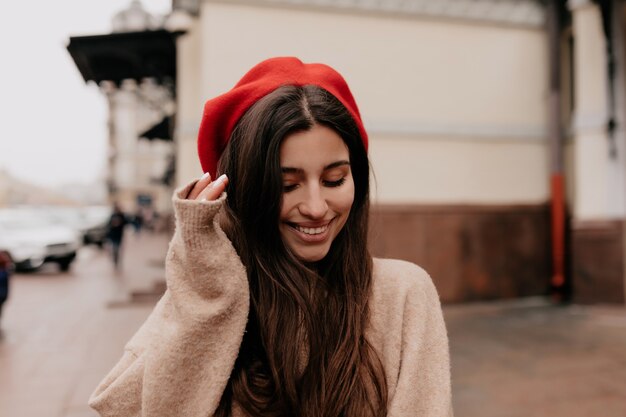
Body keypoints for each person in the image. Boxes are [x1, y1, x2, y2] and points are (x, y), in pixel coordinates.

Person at [89, 57, 452, 416]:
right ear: (245, 190)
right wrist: (206, 284)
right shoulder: (201, 297)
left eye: (334, 180)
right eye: (286, 184)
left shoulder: (404, 293)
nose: (315, 207)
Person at [106, 203, 128, 270]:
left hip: (119, 235)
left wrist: (120, 222)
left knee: (117, 249)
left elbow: (126, 222)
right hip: (113, 235)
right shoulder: (112, 215)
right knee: (114, 249)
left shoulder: (122, 215)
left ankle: (117, 260)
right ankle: (115, 260)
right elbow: (108, 224)